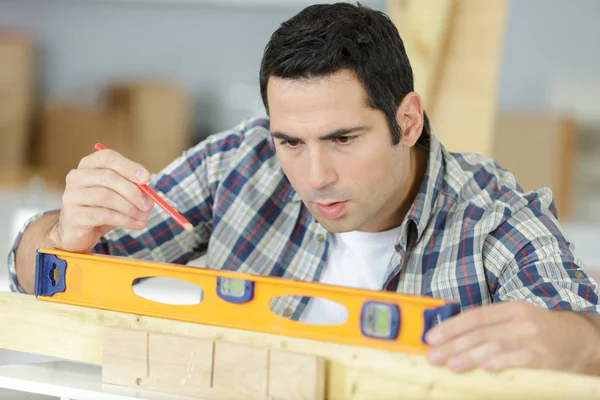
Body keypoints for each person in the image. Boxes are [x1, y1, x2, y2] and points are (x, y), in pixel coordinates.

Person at [8, 2, 600, 376]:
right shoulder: (240, 164)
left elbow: (583, 335)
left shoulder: (491, 217)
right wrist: (61, 234)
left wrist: (574, 342)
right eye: (291, 141)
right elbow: (41, 277)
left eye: (342, 139)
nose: (314, 178)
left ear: (409, 121)